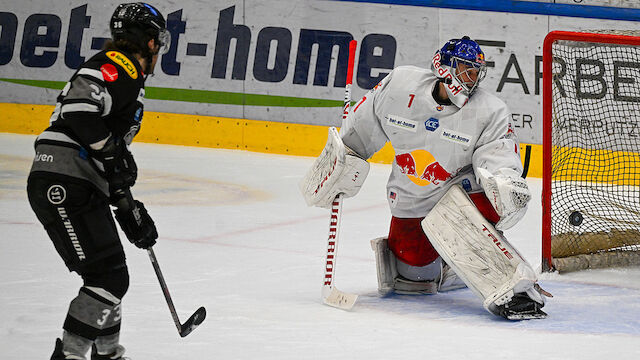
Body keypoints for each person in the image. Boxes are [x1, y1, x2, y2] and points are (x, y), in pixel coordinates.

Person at [301, 36, 548, 319]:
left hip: (466, 196)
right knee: (414, 276)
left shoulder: (489, 110)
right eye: (466, 69)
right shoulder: (400, 85)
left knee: (453, 217)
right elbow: (358, 134)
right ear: (444, 67)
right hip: (412, 197)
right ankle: (450, 264)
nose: (473, 77)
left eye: (477, 71)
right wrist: (337, 168)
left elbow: (498, 155)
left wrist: (504, 181)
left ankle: (512, 287)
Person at [26, 3, 170, 359]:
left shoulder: (125, 74)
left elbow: (106, 155)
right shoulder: (118, 65)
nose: (158, 49)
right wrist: (112, 152)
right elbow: (78, 110)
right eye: (157, 41)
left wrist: (125, 203)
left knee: (110, 275)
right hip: (65, 179)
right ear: (149, 42)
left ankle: (107, 354)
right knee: (108, 278)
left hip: (75, 179)